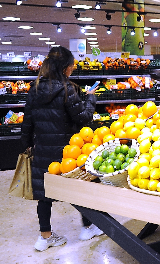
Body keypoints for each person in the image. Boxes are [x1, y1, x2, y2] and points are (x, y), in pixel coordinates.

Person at [21, 46, 103, 251]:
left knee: (44, 194)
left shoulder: (35, 88)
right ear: (65, 68)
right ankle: (87, 227)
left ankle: (44, 237)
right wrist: (91, 99)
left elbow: (27, 123)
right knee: (81, 189)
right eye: (71, 66)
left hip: (42, 149)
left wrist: (27, 147)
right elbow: (83, 118)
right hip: (68, 151)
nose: (73, 69)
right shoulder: (67, 89)